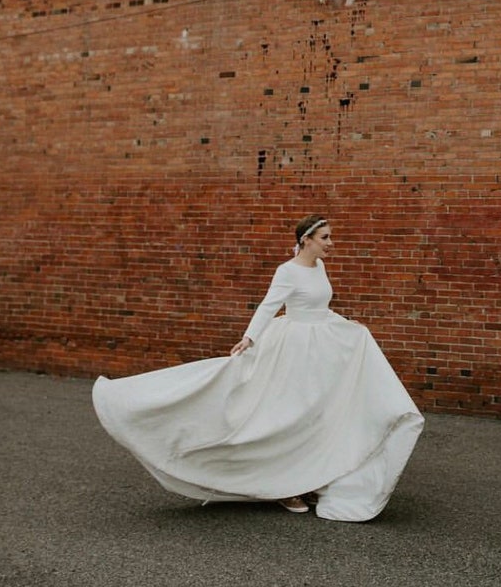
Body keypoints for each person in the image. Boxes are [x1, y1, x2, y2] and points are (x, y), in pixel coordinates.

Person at [93, 214, 425, 522]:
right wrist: (248, 338)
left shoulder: (320, 268)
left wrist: (347, 324)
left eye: (330, 237)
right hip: (293, 348)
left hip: (321, 348)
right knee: (287, 415)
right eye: (325, 238)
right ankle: (285, 487)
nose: (330, 243)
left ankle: (308, 475)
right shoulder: (287, 271)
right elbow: (269, 306)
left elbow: (320, 308)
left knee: (317, 414)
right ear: (306, 239)